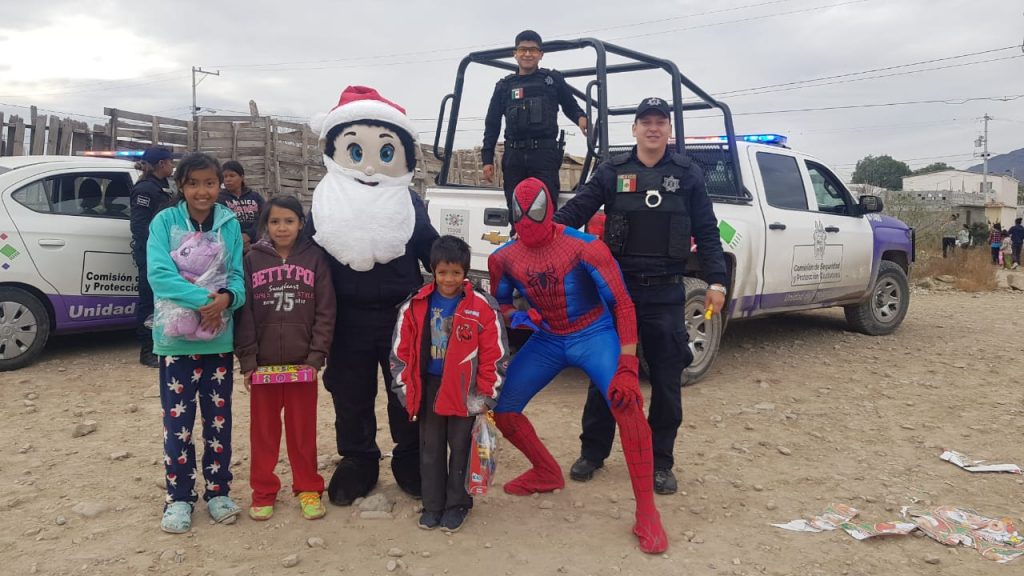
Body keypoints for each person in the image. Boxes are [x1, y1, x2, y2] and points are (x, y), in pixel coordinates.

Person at [553, 96, 728, 495]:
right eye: (645, 121)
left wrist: (717, 282)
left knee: (666, 381)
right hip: (618, 292)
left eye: (659, 122)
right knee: (605, 375)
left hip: (666, 293)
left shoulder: (688, 174)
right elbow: (577, 210)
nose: (653, 128)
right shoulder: (613, 170)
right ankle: (593, 452)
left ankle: (660, 462)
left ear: (669, 130)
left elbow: (707, 230)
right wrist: (541, 232)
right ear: (634, 129)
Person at [488, 177, 668, 553]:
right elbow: (500, 304)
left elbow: (622, 303)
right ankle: (545, 471)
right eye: (520, 214)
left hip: (592, 332)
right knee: (503, 411)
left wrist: (628, 365)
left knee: (628, 406)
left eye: (534, 212)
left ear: (550, 208)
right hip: (549, 337)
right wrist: (520, 317)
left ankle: (647, 512)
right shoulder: (503, 258)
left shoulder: (584, 247)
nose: (527, 220)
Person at [307, 86, 439, 505]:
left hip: (401, 316)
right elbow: (305, 255)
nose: (368, 165)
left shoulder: (408, 202)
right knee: (350, 392)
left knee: (405, 389)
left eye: (384, 152)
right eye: (355, 150)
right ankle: (358, 458)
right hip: (345, 318)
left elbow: (430, 248)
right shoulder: (325, 201)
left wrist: (453, 265)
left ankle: (410, 456)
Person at [147, 153, 246, 534]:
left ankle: (218, 491)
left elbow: (236, 275)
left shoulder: (229, 224)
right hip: (175, 342)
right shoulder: (164, 222)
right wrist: (208, 302)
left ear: (220, 185)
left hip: (217, 340)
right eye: (193, 183)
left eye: (209, 183)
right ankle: (180, 497)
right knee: (178, 424)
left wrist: (228, 299)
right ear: (181, 186)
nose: (202, 191)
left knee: (218, 422)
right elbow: (160, 275)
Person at [390, 235, 509, 532]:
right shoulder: (416, 304)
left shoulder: (482, 306)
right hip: (429, 388)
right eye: (442, 272)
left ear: (465, 272)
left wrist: (485, 396)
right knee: (430, 449)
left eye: (456, 272)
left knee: (461, 448)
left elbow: (495, 355)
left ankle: (457, 505)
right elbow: (400, 353)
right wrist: (406, 391)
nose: (449, 279)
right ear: (432, 270)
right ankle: (432, 505)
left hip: (466, 391)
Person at [234, 195, 336, 522]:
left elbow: (326, 311)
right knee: (263, 433)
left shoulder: (315, 258)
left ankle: (308, 488)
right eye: (275, 221)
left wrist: (316, 357)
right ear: (266, 225)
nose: (282, 228)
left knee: (302, 431)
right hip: (263, 367)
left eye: (289, 221)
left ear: (301, 224)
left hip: (302, 366)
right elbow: (244, 314)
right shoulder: (252, 260)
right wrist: (248, 361)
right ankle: (263, 491)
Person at [481, 29, 587, 223]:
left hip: (544, 157)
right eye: (523, 50)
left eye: (533, 50)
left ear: (541, 54)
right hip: (514, 157)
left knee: (546, 211)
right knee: (516, 212)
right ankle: (517, 239)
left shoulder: (552, 80)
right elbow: (492, 123)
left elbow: (571, 106)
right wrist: (487, 159)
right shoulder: (504, 86)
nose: (528, 54)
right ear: (515, 54)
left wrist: (581, 119)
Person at [130, 146, 175, 368]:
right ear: (161, 164)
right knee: (149, 301)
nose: (172, 166)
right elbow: (139, 226)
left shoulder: (163, 186)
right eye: (170, 162)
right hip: (151, 254)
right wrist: (160, 244)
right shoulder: (145, 189)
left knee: (164, 301)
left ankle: (163, 345)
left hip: (167, 253)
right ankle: (147, 350)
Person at [217, 160, 265, 252]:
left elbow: (264, 217)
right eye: (225, 177)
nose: (228, 179)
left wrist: (249, 235)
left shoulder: (255, 196)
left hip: (256, 245)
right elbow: (221, 223)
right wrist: (238, 238)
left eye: (232, 176)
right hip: (231, 246)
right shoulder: (219, 199)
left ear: (242, 177)